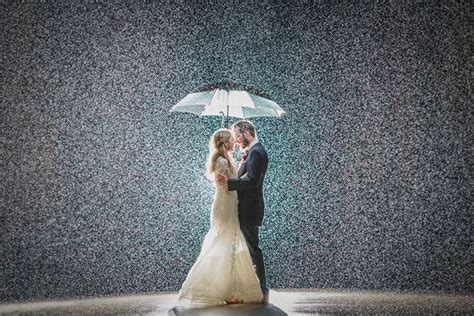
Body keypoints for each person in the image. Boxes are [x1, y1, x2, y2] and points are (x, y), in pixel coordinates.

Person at [178, 128, 263, 306]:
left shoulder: (228, 159)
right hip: (225, 206)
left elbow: (236, 180)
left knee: (232, 244)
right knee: (222, 241)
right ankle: (214, 287)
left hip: (232, 205)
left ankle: (229, 288)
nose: (236, 141)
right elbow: (224, 185)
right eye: (232, 139)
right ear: (225, 143)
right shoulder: (221, 160)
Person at [217, 120, 269, 304]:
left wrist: (229, 183)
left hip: (250, 209)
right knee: (247, 250)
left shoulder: (256, 152)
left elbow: (252, 180)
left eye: (238, 135)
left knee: (253, 250)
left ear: (247, 132)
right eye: (235, 137)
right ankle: (252, 288)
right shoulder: (252, 152)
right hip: (245, 207)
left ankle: (262, 289)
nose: (237, 140)